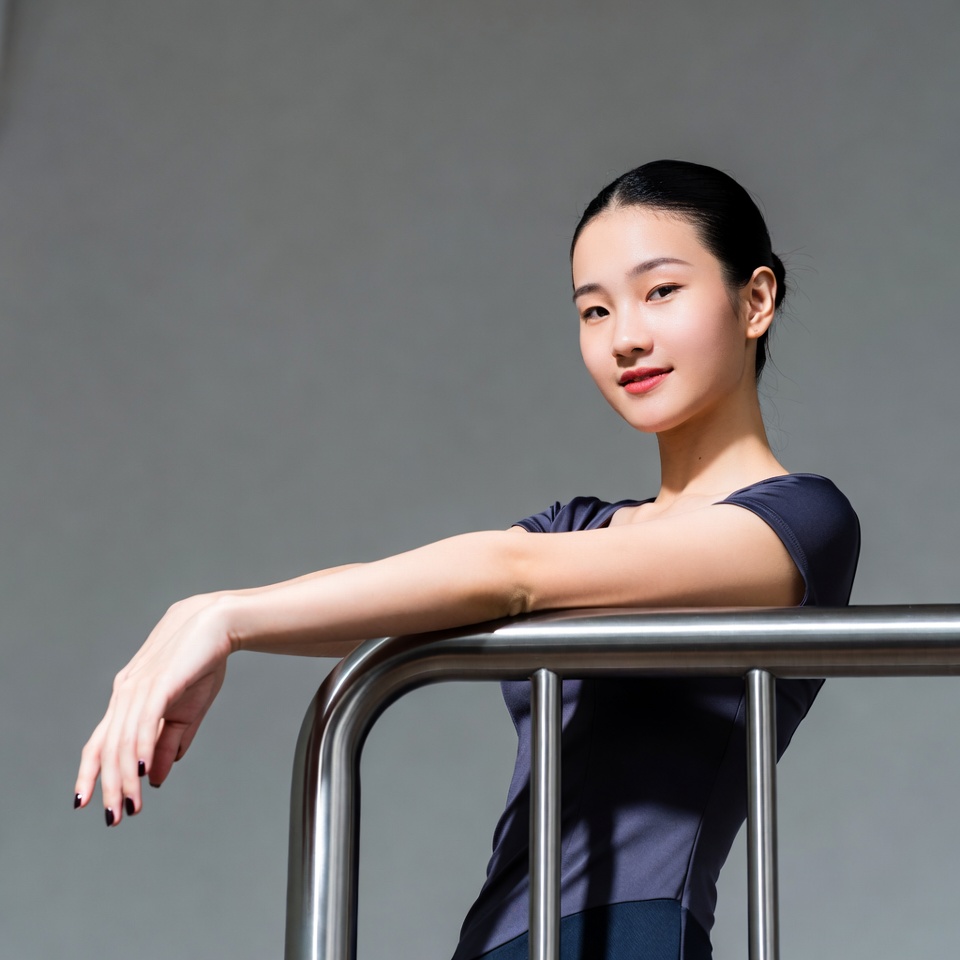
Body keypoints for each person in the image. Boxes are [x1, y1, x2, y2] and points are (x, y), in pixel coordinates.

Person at [75, 160, 860, 960]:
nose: (625, 336)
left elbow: (508, 577)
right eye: (594, 310)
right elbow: (405, 591)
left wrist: (227, 618)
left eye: (660, 292)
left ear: (755, 299)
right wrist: (204, 614)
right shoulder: (579, 527)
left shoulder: (801, 518)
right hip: (500, 940)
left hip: (630, 935)